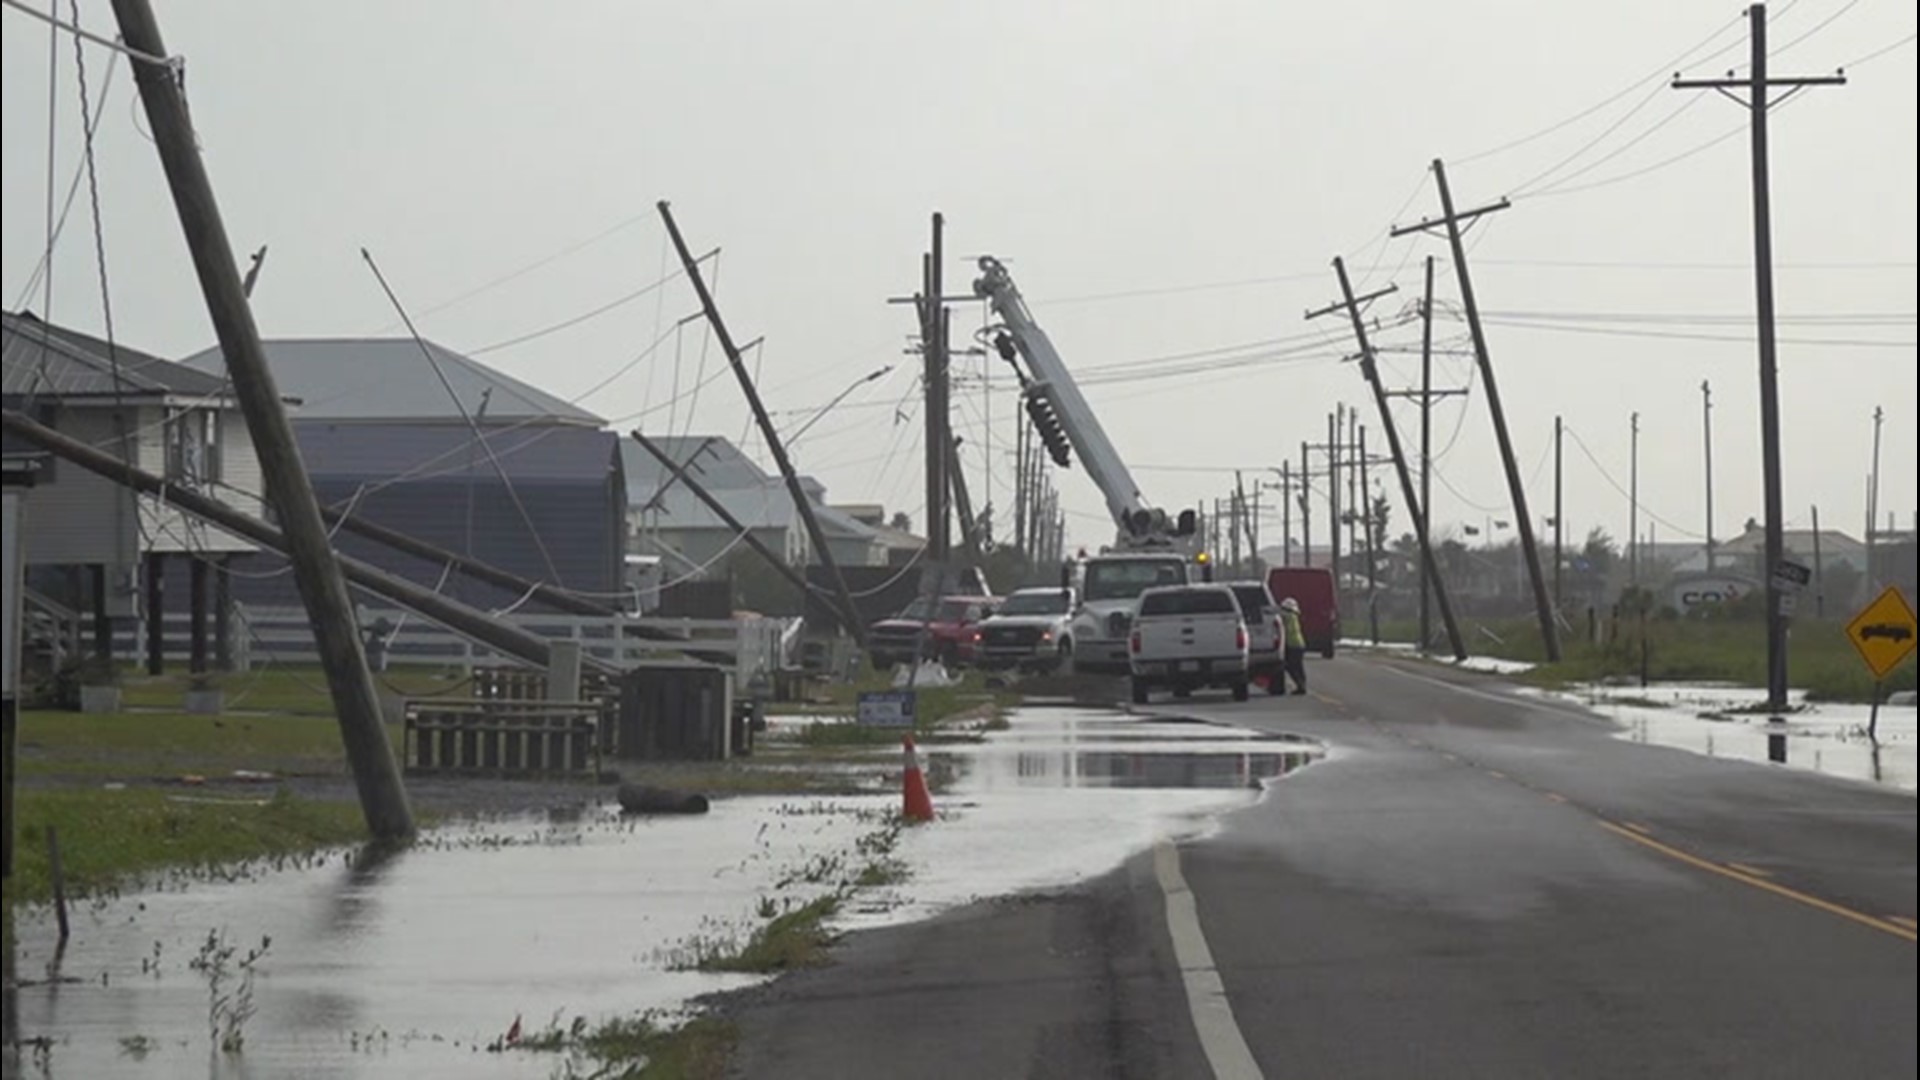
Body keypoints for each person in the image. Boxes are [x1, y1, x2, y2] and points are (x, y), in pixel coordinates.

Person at [1278, 597, 1308, 695]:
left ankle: (1300, 685)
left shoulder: (1289, 617)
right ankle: (1301, 685)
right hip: (1299, 644)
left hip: (1293, 645)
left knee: (1291, 666)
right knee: (1298, 666)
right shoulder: (1294, 616)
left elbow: (1286, 629)